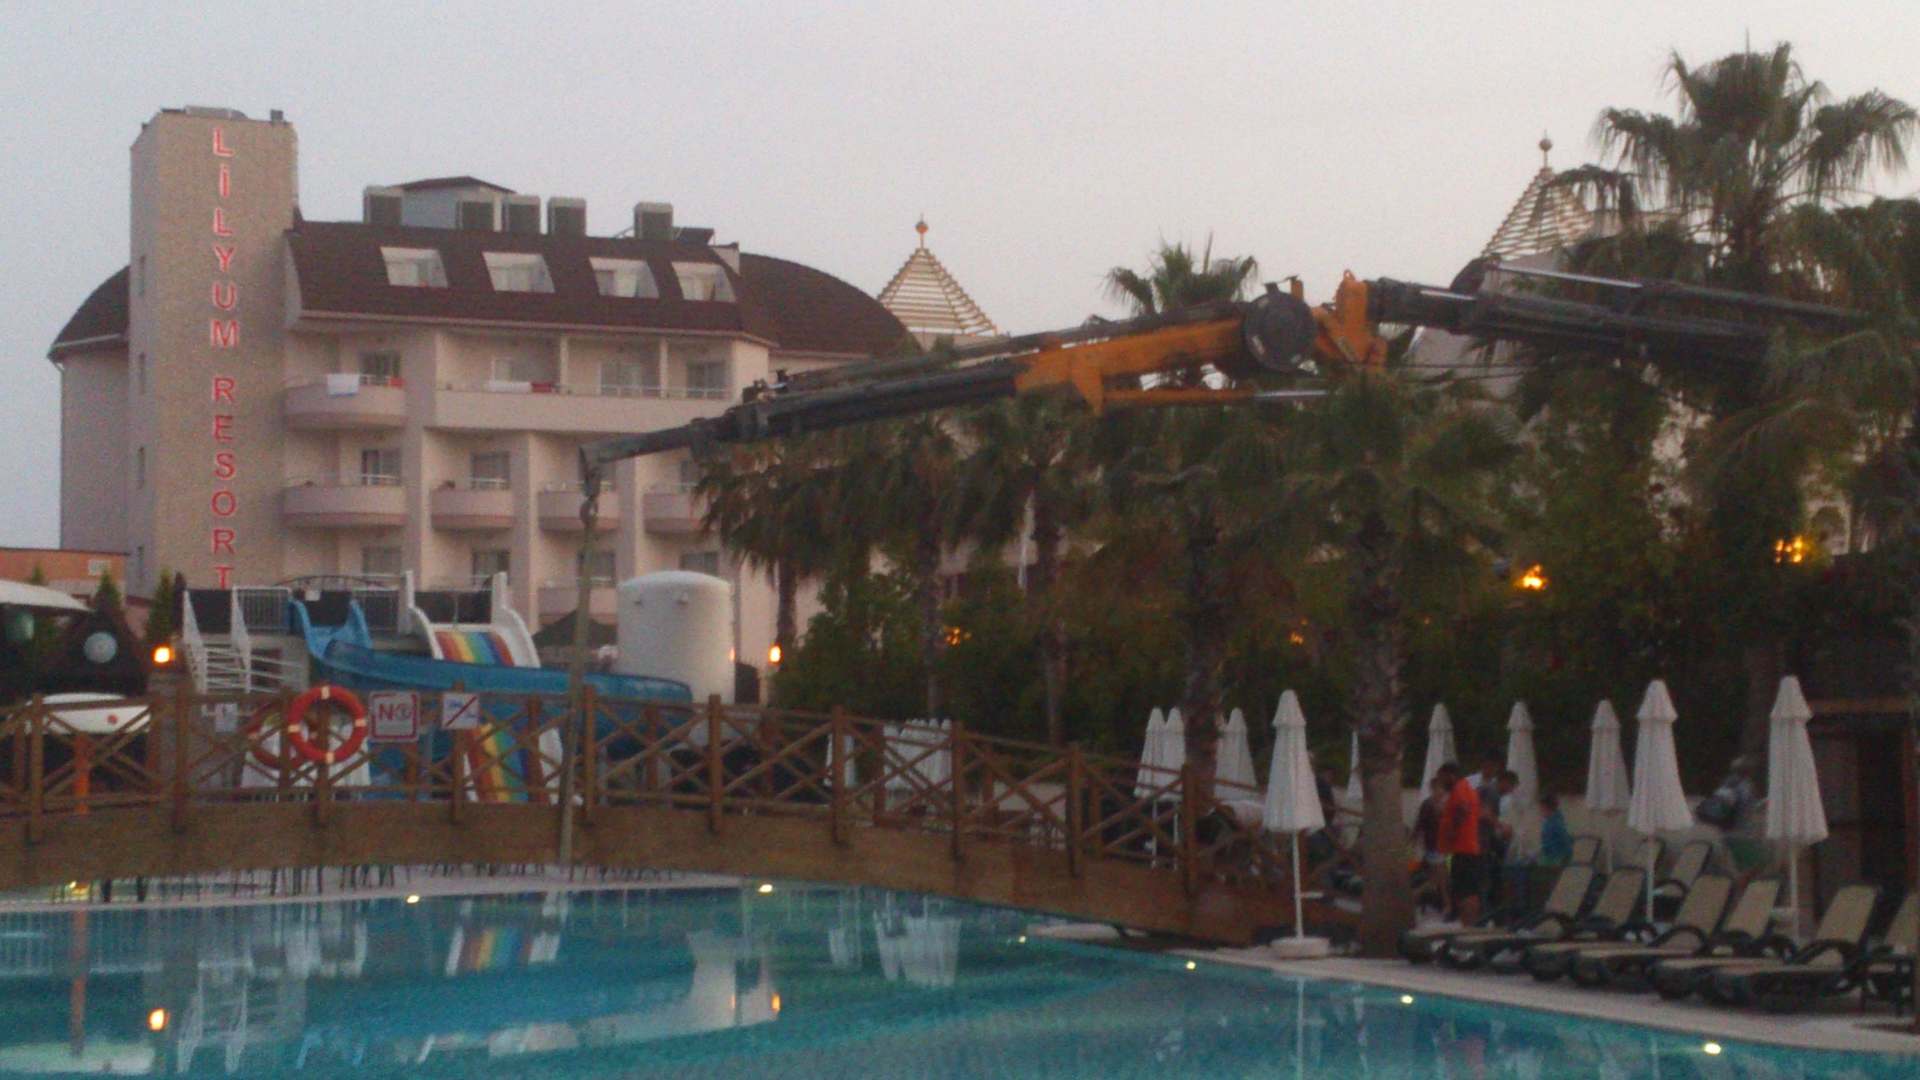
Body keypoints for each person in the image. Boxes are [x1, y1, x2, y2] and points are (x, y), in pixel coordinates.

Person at [1434, 763, 1483, 926]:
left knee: (1465, 892)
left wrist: (1452, 831)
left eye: (1442, 779)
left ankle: (1468, 926)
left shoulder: (1459, 789)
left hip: (1463, 849)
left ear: (1451, 776)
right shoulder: (1466, 788)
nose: (1441, 783)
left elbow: (1462, 809)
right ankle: (1469, 925)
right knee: (1468, 890)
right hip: (1466, 848)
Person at [1413, 775, 1451, 913]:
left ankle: (1413, 897)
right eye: (1437, 789)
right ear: (1432, 789)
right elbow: (1420, 825)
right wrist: (1416, 841)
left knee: (1437, 880)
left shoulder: (1443, 805)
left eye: (1442, 789)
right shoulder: (1428, 804)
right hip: (1433, 847)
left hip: (1440, 847)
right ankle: (1447, 905)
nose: (1440, 792)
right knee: (1441, 879)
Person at [1538, 793, 1573, 866]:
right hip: (1556, 857)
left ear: (1546, 808)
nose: (1540, 811)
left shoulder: (1553, 824)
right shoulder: (1555, 820)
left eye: (1541, 809)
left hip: (1555, 859)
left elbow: (1549, 845)